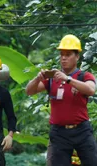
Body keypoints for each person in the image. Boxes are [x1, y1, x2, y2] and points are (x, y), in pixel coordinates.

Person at [25, 34, 97, 166]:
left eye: (68, 54)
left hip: (82, 131)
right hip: (59, 133)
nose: (63, 58)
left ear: (77, 56)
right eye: (62, 54)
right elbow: (29, 91)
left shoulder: (83, 76)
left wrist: (68, 79)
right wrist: (37, 78)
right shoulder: (52, 78)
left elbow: (91, 89)